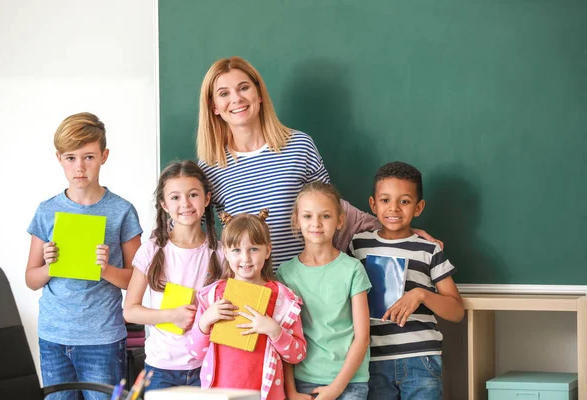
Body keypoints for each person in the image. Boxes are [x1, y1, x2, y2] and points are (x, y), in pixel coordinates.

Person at [196, 56, 440, 270]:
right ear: (214, 107)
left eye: (243, 88)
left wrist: (396, 231)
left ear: (259, 94)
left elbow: (333, 209)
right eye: (224, 93)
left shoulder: (298, 146)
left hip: (308, 282)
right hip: (251, 290)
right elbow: (187, 229)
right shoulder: (210, 165)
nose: (236, 99)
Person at [25, 112, 143, 400]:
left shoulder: (122, 211)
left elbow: (136, 281)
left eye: (88, 157)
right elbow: (31, 278)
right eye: (71, 158)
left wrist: (105, 270)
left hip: (102, 338)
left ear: (104, 155)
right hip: (53, 336)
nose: (80, 167)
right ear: (59, 158)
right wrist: (51, 267)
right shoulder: (47, 210)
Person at [348, 161, 465, 400]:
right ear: (372, 204)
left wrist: (421, 294)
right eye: (385, 200)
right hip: (373, 359)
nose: (394, 209)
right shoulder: (358, 245)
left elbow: (456, 311)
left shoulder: (429, 249)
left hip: (420, 358)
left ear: (418, 207)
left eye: (404, 201)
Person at [123, 160, 223, 391]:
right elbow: (130, 310)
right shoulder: (152, 250)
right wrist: (171, 316)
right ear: (164, 204)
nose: (185, 203)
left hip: (207, 365)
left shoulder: (221, 253)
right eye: (175, 197)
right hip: (161, 368)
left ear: (207, 199)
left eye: (193, 195)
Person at [187, 210, 306, 400]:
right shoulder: (213, 296)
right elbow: (194, 352)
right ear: (225, 252)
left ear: (267, 250)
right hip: (219, 393)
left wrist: (275, 332)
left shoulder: (283, 300)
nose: (245, 258)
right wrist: (205, 322)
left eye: (253, 249)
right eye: (236, 250)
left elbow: (297, 354)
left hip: (264, 394)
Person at [277, 182, 371, 400]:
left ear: (339, 221)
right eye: (308, 216)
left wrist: (336, 389)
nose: (316, 224)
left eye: (325, 216)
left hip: (350, 382)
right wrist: (291, 392)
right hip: (304, 381)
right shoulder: (286, 274)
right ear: (296, 220)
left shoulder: (352, 269)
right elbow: (285, 336)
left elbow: (362, 337)